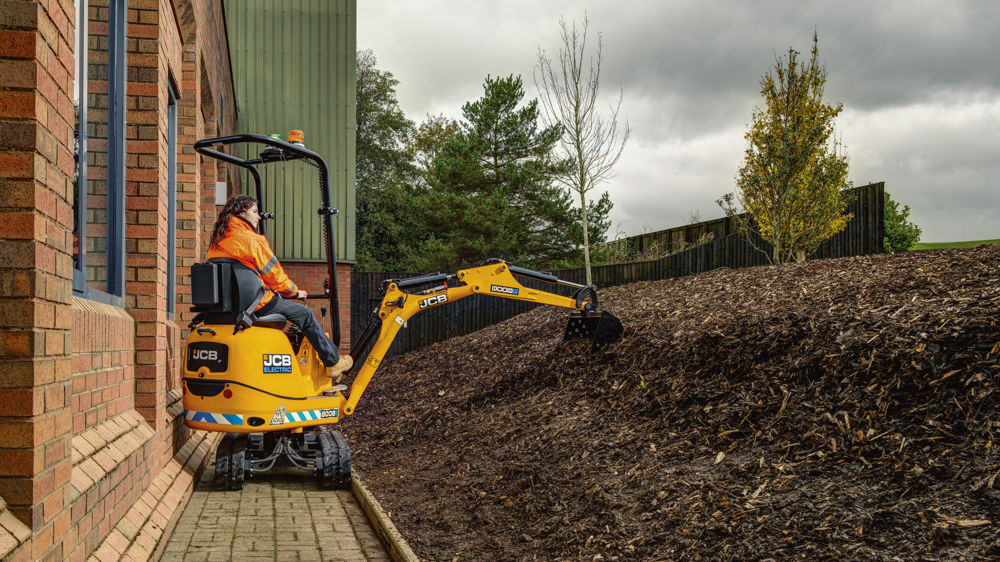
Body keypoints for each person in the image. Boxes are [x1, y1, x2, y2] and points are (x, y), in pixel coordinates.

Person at [207, 194, 352, 380]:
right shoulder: (252, 240)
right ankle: (333, 362)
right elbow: (274, 275)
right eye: (254, 212)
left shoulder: (217, 242)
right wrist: (294, 292)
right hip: (256, 306)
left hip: (227, 308)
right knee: (304, 314)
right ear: (242, 213)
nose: (258, 217)